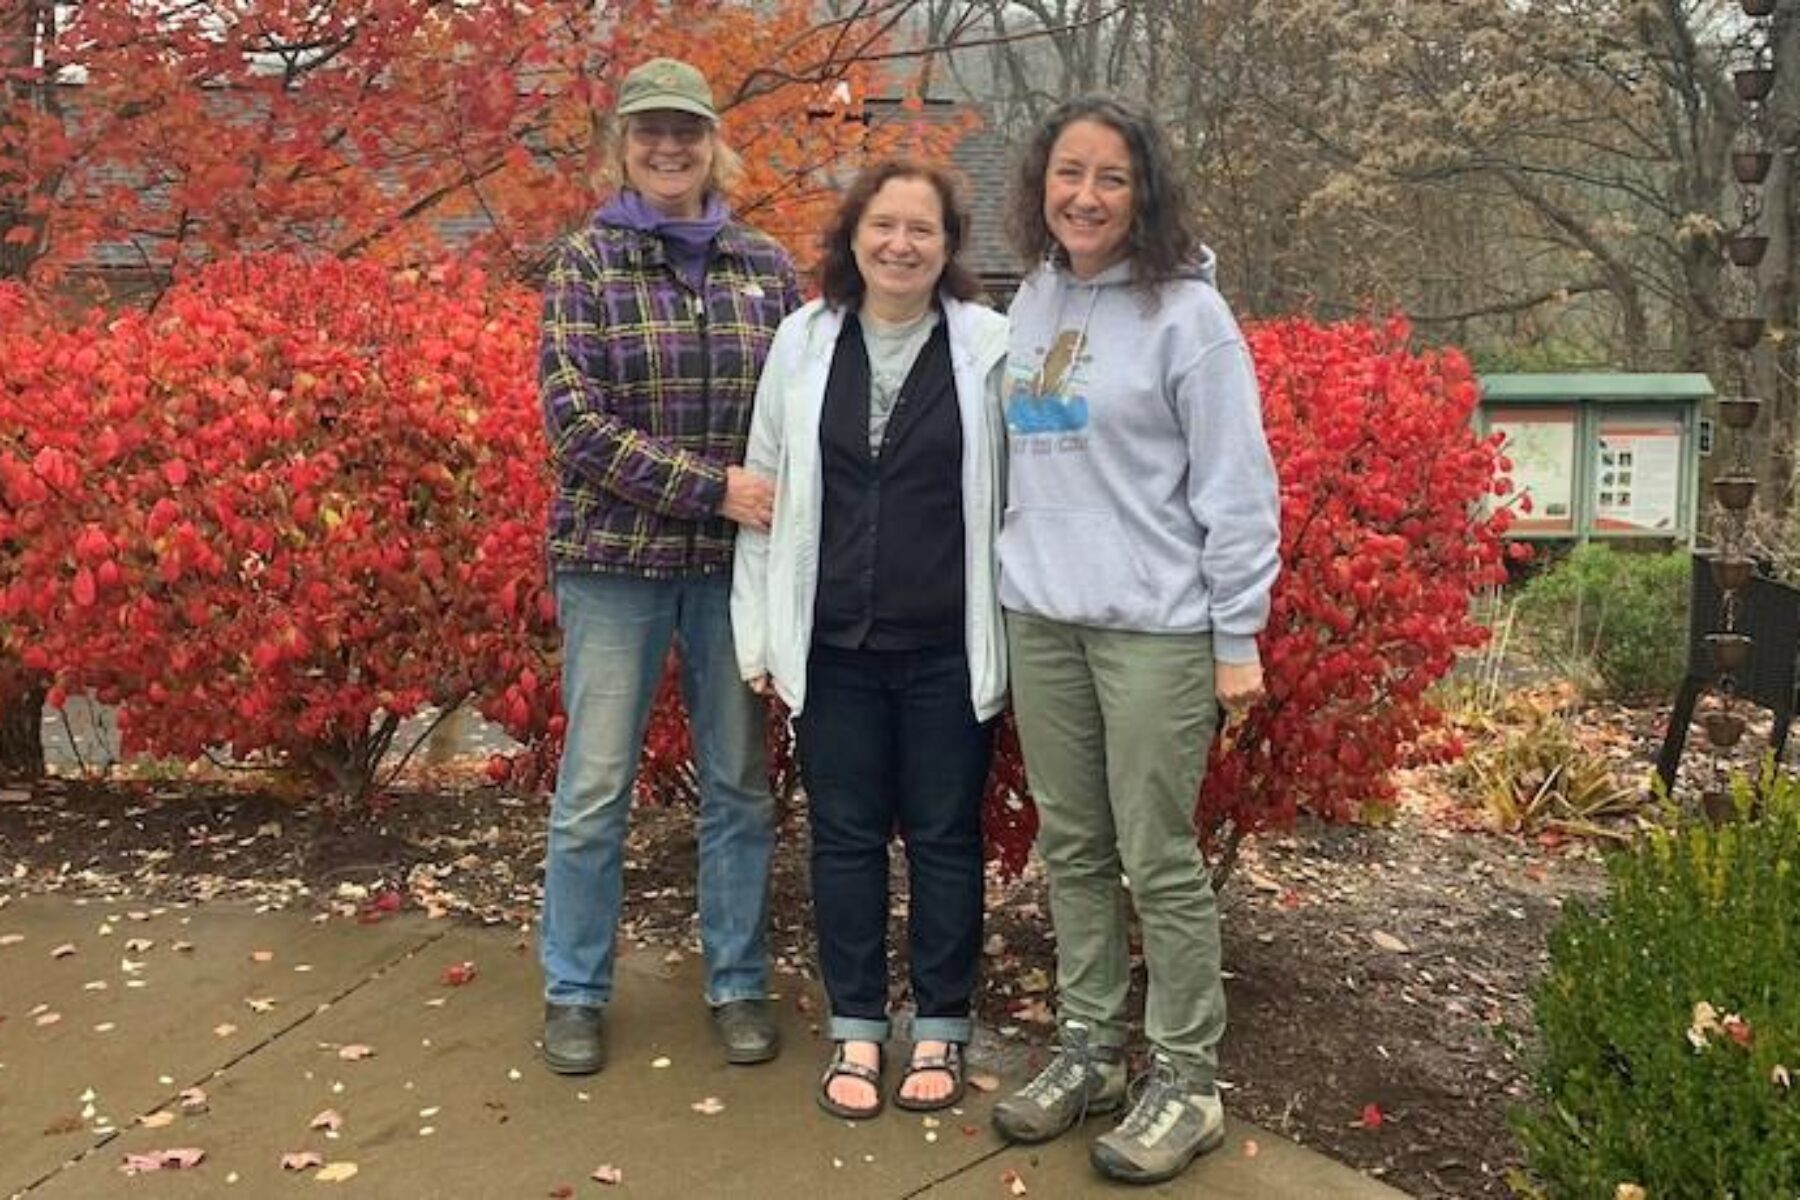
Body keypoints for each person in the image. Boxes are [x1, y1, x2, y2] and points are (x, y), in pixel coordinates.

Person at [987, 95, 1281, 1186]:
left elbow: (1239, 488)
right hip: (1045, 618)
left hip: (1156, 627)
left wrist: (1235, 633)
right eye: (1070, 172)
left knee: (1158, 856)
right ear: (1041, 184)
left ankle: (1188, 1081)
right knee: (1072, 846)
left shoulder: (1188, 317)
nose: (1087, 195)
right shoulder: (1035, 296)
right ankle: (1088, 1051)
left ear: (1143, 191)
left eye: (1111, 177)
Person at [536, 56, 801, 1076]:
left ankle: (736, 982)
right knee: (595, 786)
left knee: (737, 783)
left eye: (686, 130)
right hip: (614, 567)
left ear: (714, 144)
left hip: (733, 574)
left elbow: (796, 416)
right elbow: (576, 426)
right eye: (649, 131)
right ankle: (575, 988)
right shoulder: (585, 264)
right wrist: (713, 488)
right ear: (623, 145)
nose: (669, 147)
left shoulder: (766, 270)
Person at [731, 161, 1008, 1120]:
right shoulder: (802, 343)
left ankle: (941, 1022)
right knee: (843, 841)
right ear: (853, 238)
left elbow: (1023, 493)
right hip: (833, 644)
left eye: (920, 229)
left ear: (947, 245)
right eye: (882, 226)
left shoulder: (989, 348)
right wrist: (759, 630)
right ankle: (856, 1026)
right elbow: (763, 490)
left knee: (944, 839)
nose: (900, 244)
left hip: (944, 645)